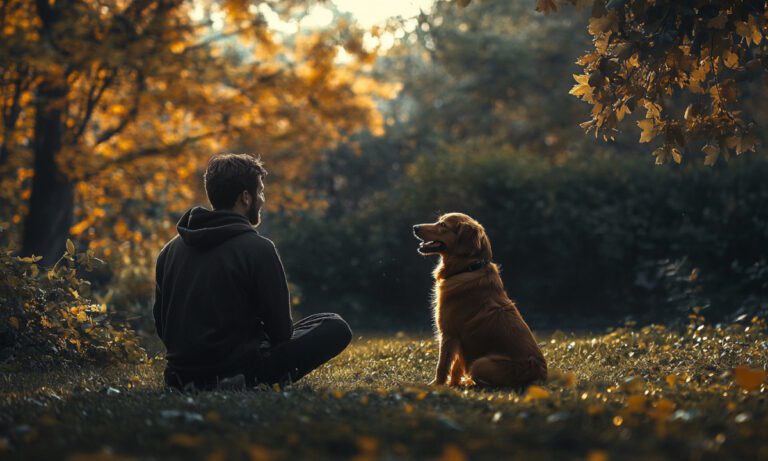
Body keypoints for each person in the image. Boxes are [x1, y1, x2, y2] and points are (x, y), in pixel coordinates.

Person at [153, 153, 352, 390]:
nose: (263, 199)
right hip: (240, 369)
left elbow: (163, 327)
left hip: (181, 375)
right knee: (334, 326)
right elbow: (281, 333)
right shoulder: (259, 249)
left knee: (318, 321)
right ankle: (239, 381)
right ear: (245, 198)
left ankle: (203, 381)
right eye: (260, 192)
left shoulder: (169, 251)